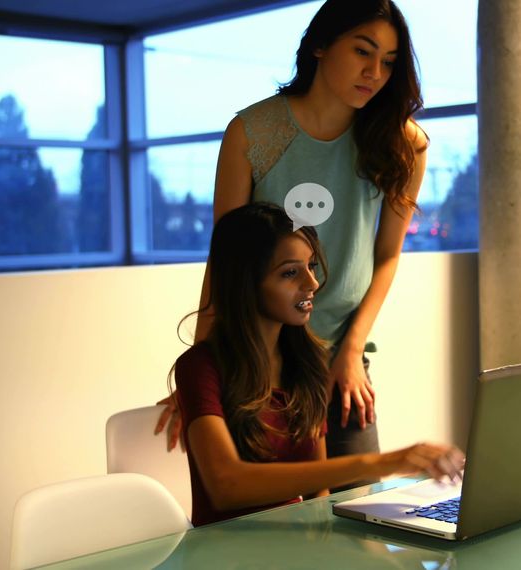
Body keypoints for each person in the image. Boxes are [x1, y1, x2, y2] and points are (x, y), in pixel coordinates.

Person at [157, 0, 429, 476]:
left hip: (341, 361)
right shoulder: (252, 133)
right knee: (261, 524)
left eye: (388, 62)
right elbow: (227, 259)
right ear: (321, 46)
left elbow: (387, 256)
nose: (375, 72)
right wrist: (200, 371)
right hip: (255, 364)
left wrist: (351, 351)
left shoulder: (402, 143)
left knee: (358, 514)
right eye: (363, 51)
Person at [173, 203, 462, 526]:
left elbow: (318, 495)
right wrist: (382, 462)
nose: (311, 283)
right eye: (290, 272)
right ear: (246, 282)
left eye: (311, 267)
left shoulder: (307, 363)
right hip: (226, 554)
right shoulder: (199, 367)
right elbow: (226, 486)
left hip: (296, 546)